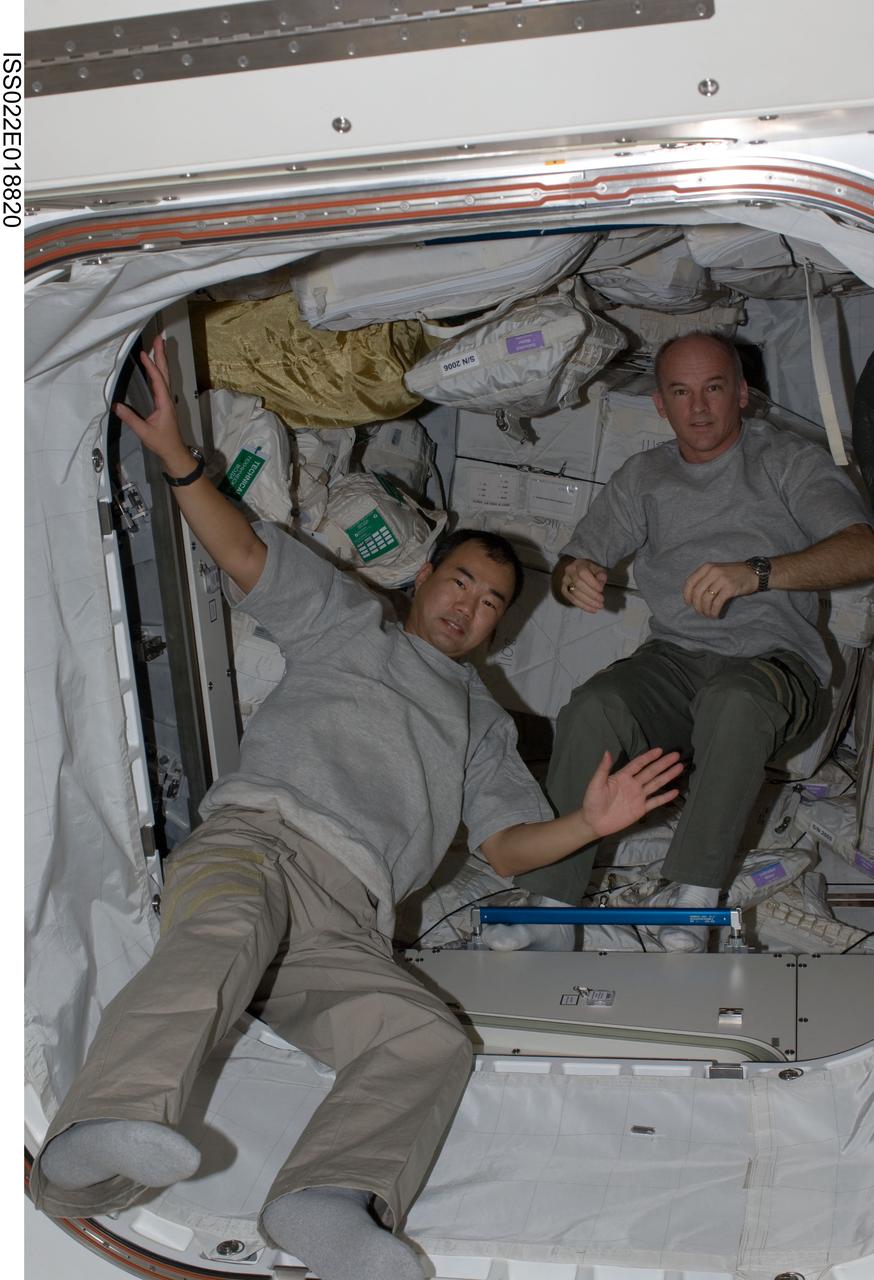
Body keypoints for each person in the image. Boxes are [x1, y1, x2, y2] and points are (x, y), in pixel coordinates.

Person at [30, 337, 682, 1280]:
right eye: (461, 581)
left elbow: (504, 847)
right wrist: (179, 460)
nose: (471, 606)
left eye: (493, 601)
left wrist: (593, 822)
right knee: (223, 934)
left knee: (428, 1039)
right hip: (257, 844)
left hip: (348, 924)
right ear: (423, 580)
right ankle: (94, 1143)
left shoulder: (482, 727)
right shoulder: (348, 626)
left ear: (503, 624)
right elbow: (246, 550)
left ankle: (327, 1200)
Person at [518, 331, 874, 951]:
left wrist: (757, 572)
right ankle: (553, 900)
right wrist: (572, 574)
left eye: (714, 388)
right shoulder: (644, 477)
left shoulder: (786, 461)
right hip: (675, 663)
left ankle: (693, 896)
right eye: (682, 392)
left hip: (776, 669)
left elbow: (864, 549)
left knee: (734, 700)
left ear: (742, 393)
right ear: (661, 404)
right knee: (594, 706)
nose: (700, 407)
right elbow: (576, 557)